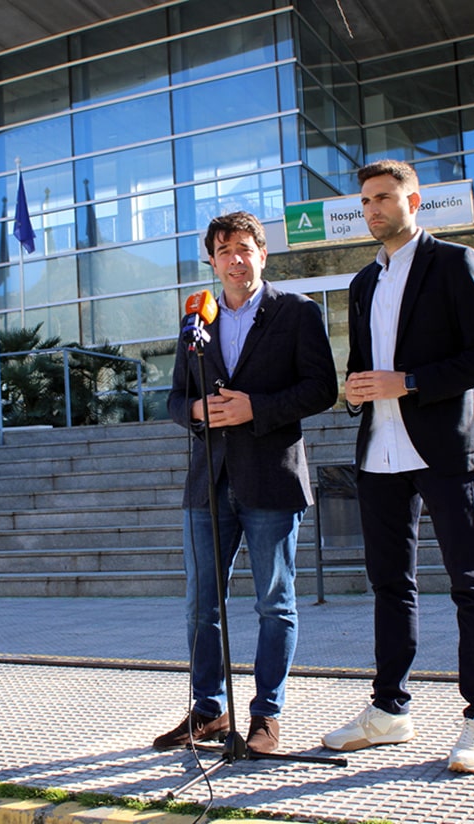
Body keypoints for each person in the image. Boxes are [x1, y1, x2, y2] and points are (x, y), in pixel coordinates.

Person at [320, 160, 474, 773]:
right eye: (365, 201)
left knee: (470, 584)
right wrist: (354, 391)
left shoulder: (455, 262)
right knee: (389, 586)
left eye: (383, 198)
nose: (372, 210)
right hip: (380, 453)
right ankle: (390, 711)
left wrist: (408, 382)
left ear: (414, 201)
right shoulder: (361, 283)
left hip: (447, 448)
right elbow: (364, 365)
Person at [155, 211, 338, 755]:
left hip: (271, 479)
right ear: (211, 260)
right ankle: (208, 711)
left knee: (274, 603)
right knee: (199, 604)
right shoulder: (195, 321)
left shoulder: (297, 313)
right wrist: (194, 409)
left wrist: (252, 408)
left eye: (244, 248)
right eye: (223, 250)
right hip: (207, 483)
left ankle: (265, 716)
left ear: (262, 253)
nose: (235, 259)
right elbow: (173, 400)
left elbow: (321, 389)